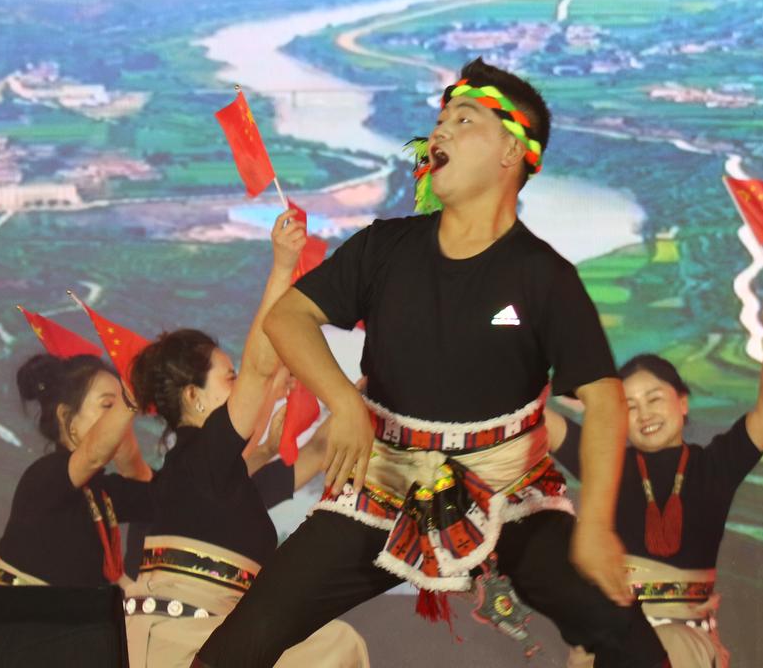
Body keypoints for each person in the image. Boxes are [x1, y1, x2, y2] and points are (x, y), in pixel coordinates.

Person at [196, 58, 669, 667]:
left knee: (629, 639)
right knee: (236, 647)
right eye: (442, 119)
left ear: (512, 151)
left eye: (464, 120)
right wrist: (344, 403)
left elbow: (603, 401)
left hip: (509, 492)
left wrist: (596, 526)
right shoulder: (384, 247)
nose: (440, 129)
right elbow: (289, 317)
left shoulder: (544, 277)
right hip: (383, 486)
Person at [124, 209, 367, 668]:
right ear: (194, 397)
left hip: (208, 637)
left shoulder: (217, 477)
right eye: (228, 377)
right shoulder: (200, 457)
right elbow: (260, 367)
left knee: (336, 644)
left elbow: (319, 448)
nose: (241, 386)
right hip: (183, 641)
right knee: (336, 646)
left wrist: (365, 392)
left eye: (236, 377)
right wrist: (282, 267)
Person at [547, 270, 763, 667]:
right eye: (629, 406)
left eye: (654, 398)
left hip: (682, 644)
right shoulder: (604, 462)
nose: (644, 413)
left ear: (682, 402)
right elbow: (541, 422)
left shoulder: (714, 466)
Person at [0, 351, 153, 588]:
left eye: (121, 410)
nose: (120, 418)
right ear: (66, 416)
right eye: (109, 406)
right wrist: (131, 398)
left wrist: (127, 446)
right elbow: (93, 456)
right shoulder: (44, 475)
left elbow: (151, 495)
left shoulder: (103, 491)